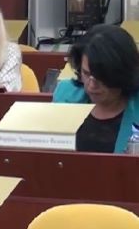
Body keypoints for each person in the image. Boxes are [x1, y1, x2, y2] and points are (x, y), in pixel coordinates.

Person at [53, 24, 139, 153]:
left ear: (123, 73)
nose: (92, 85)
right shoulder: (65, 95)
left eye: (101, 77)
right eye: (86, 74)